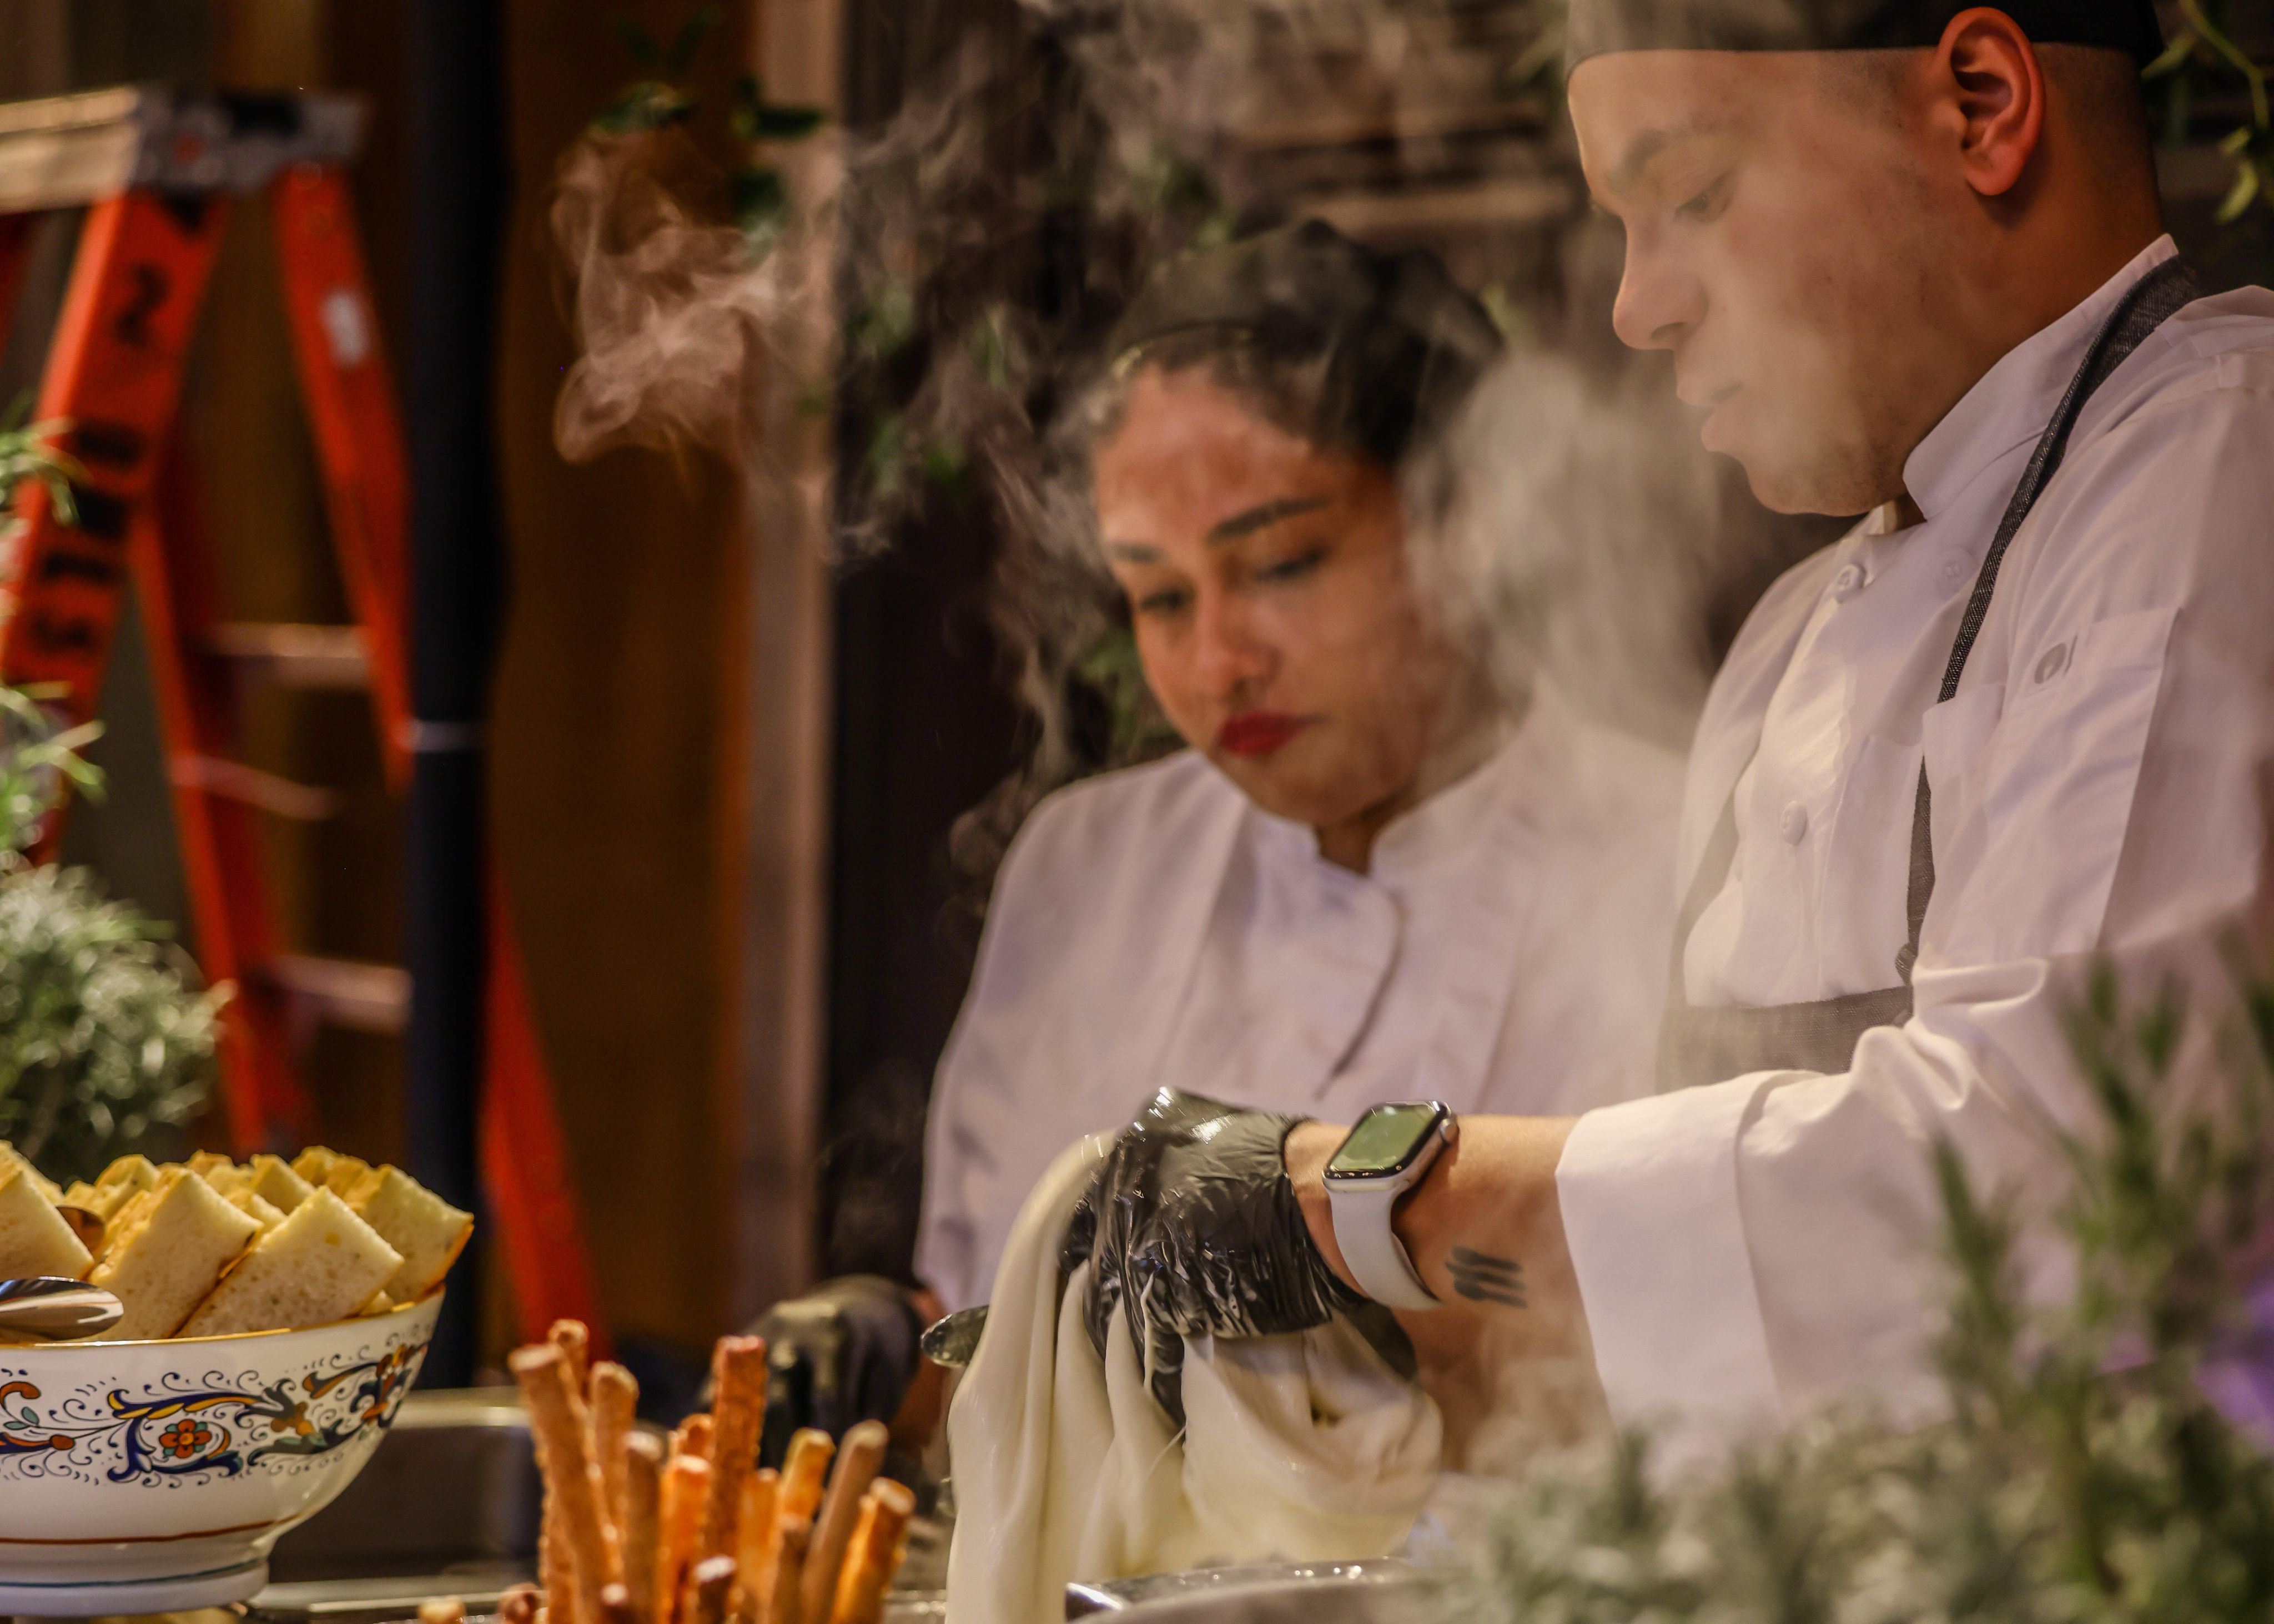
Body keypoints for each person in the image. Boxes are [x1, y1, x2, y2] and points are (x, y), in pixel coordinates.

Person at [1060, 0, 2274, 1460]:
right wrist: (1308, 1339)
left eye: (1691, 194)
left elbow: (2050, 1198)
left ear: (1980, 102)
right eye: (1621, 227)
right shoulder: (1786, 649)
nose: (1636, 308)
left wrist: (1346, 1196)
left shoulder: (2215, 467)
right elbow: (1689, 1321)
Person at [753, 222, 1687, 1452]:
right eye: (1159, 594)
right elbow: (986, 1336)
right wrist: (889, 1350)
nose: (1216, 661)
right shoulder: (1086, 865)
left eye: (1283, 563)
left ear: (1469, 519)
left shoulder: (1680, 862)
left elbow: (1687, 1341)